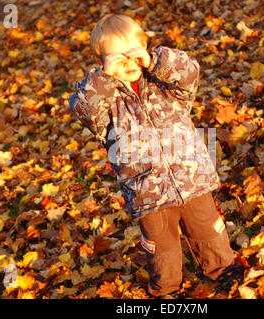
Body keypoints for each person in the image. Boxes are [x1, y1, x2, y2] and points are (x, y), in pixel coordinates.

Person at [68, 13, 243, 297]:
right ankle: (166, 288)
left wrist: (154, 61)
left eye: (133, 53)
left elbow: (190, 71)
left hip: (191, 177)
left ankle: (222, 272)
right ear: (102, 63)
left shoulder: (166, 85)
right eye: (116, 58)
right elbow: (82, 108)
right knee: (162, 246)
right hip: (146, 189)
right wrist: (103, 78)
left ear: (145, 49)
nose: (127, 62)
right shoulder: (107, 101)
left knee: (208, 231)